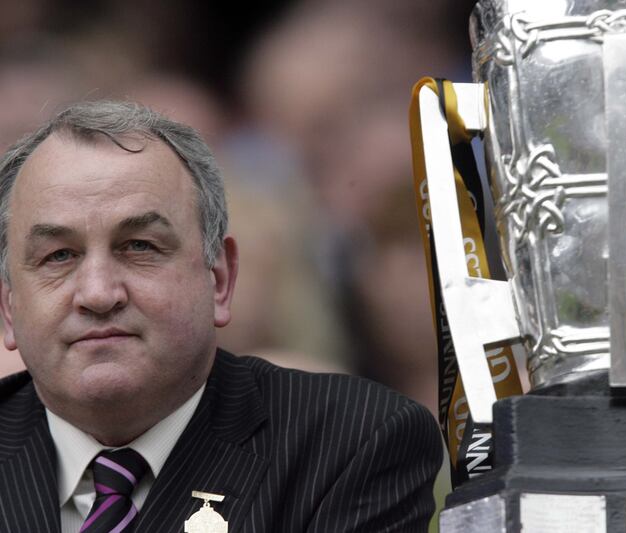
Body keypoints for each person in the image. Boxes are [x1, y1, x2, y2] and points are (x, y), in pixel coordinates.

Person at [0, 101, 442, 532]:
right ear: (8, 307)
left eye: (139, 247)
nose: (98, 293)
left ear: (219, 279)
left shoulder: (349, 443)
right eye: (58, 255)